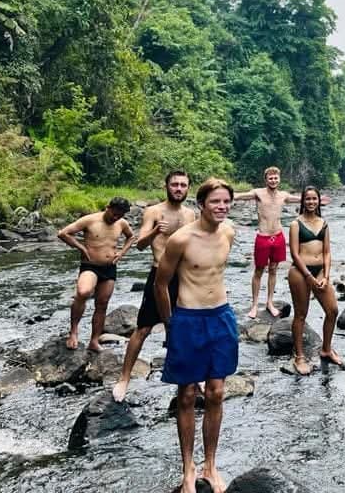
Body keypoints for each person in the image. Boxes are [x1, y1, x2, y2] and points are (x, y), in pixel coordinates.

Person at [155, 178, 238, 493]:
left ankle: (210, 465)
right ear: (201, 204)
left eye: (226, 202)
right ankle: (188, 468)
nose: (222, 207)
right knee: (187, 395)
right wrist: (170, 325)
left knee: (216, 392)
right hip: (188, 319)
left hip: (221, 316)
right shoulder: (181, 239)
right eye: (215, 202)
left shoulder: (228, 232)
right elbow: (160, 284)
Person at [112, 170, 196, 402]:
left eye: (183, 185)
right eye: (174, 185)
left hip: (185, 275)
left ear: (188, 188)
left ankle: (189, 376)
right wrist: (154, 231)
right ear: (166, 186)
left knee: (186, 326)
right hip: (160, 274)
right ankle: (124, 378)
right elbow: (139, 244)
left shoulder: (191, 215)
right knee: (144, 328)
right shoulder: (154, 211)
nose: (178, 189)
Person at [233, 167, 317, 319]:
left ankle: (269, 303)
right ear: (266, 180)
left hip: (278, 236)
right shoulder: (258, 193)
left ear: (279, 179)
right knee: (259, 271)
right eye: (270, 178)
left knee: (273, 270)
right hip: (263, 237)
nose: (273, 180)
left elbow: (302, 199)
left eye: (276, 178)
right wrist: (224, 194)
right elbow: (240, 196)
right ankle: (254, 305)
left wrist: (319, 198)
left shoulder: (283, 195)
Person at [57, 197, 134, 351]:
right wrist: (81, 248)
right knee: (83, 292)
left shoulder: (122, 223)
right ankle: (73, 332)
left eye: (120, 215)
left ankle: (94, 341)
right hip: (90, 266)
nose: (116, 218)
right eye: (114, 214)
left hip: (109, 268)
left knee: (102, 304)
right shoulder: (89, 220)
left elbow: (131, 237)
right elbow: (63, 233)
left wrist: (121, 253)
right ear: (108, 207)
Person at [286, 185, 343, 375]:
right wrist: (309, 277)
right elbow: (294, 253)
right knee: (301, 314)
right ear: (303, 201)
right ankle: (299, 357)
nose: (311, 202)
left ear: (319, 201)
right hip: (300, 272)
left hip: (320, 272)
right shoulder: (296, 224)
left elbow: (327, 252)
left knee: (332, 310)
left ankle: (326, 349)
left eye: (314, 199)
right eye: (308, 199)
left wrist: (326, 276)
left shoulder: (323, 223)